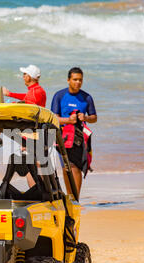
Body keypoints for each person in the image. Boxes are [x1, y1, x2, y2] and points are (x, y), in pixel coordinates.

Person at [51, 67, 97, 198]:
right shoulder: (59, 95)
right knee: (66, 168)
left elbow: (94, 117)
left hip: (79, 136)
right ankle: (70, 196)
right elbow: (53, 118)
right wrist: (68, 120)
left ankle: (75, 199)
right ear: (68, 80)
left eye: (80, 80)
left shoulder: (86, 97)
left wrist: (86, 118)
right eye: (75, 79)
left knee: (75, 167)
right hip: (62, 135)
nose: (78, 82)